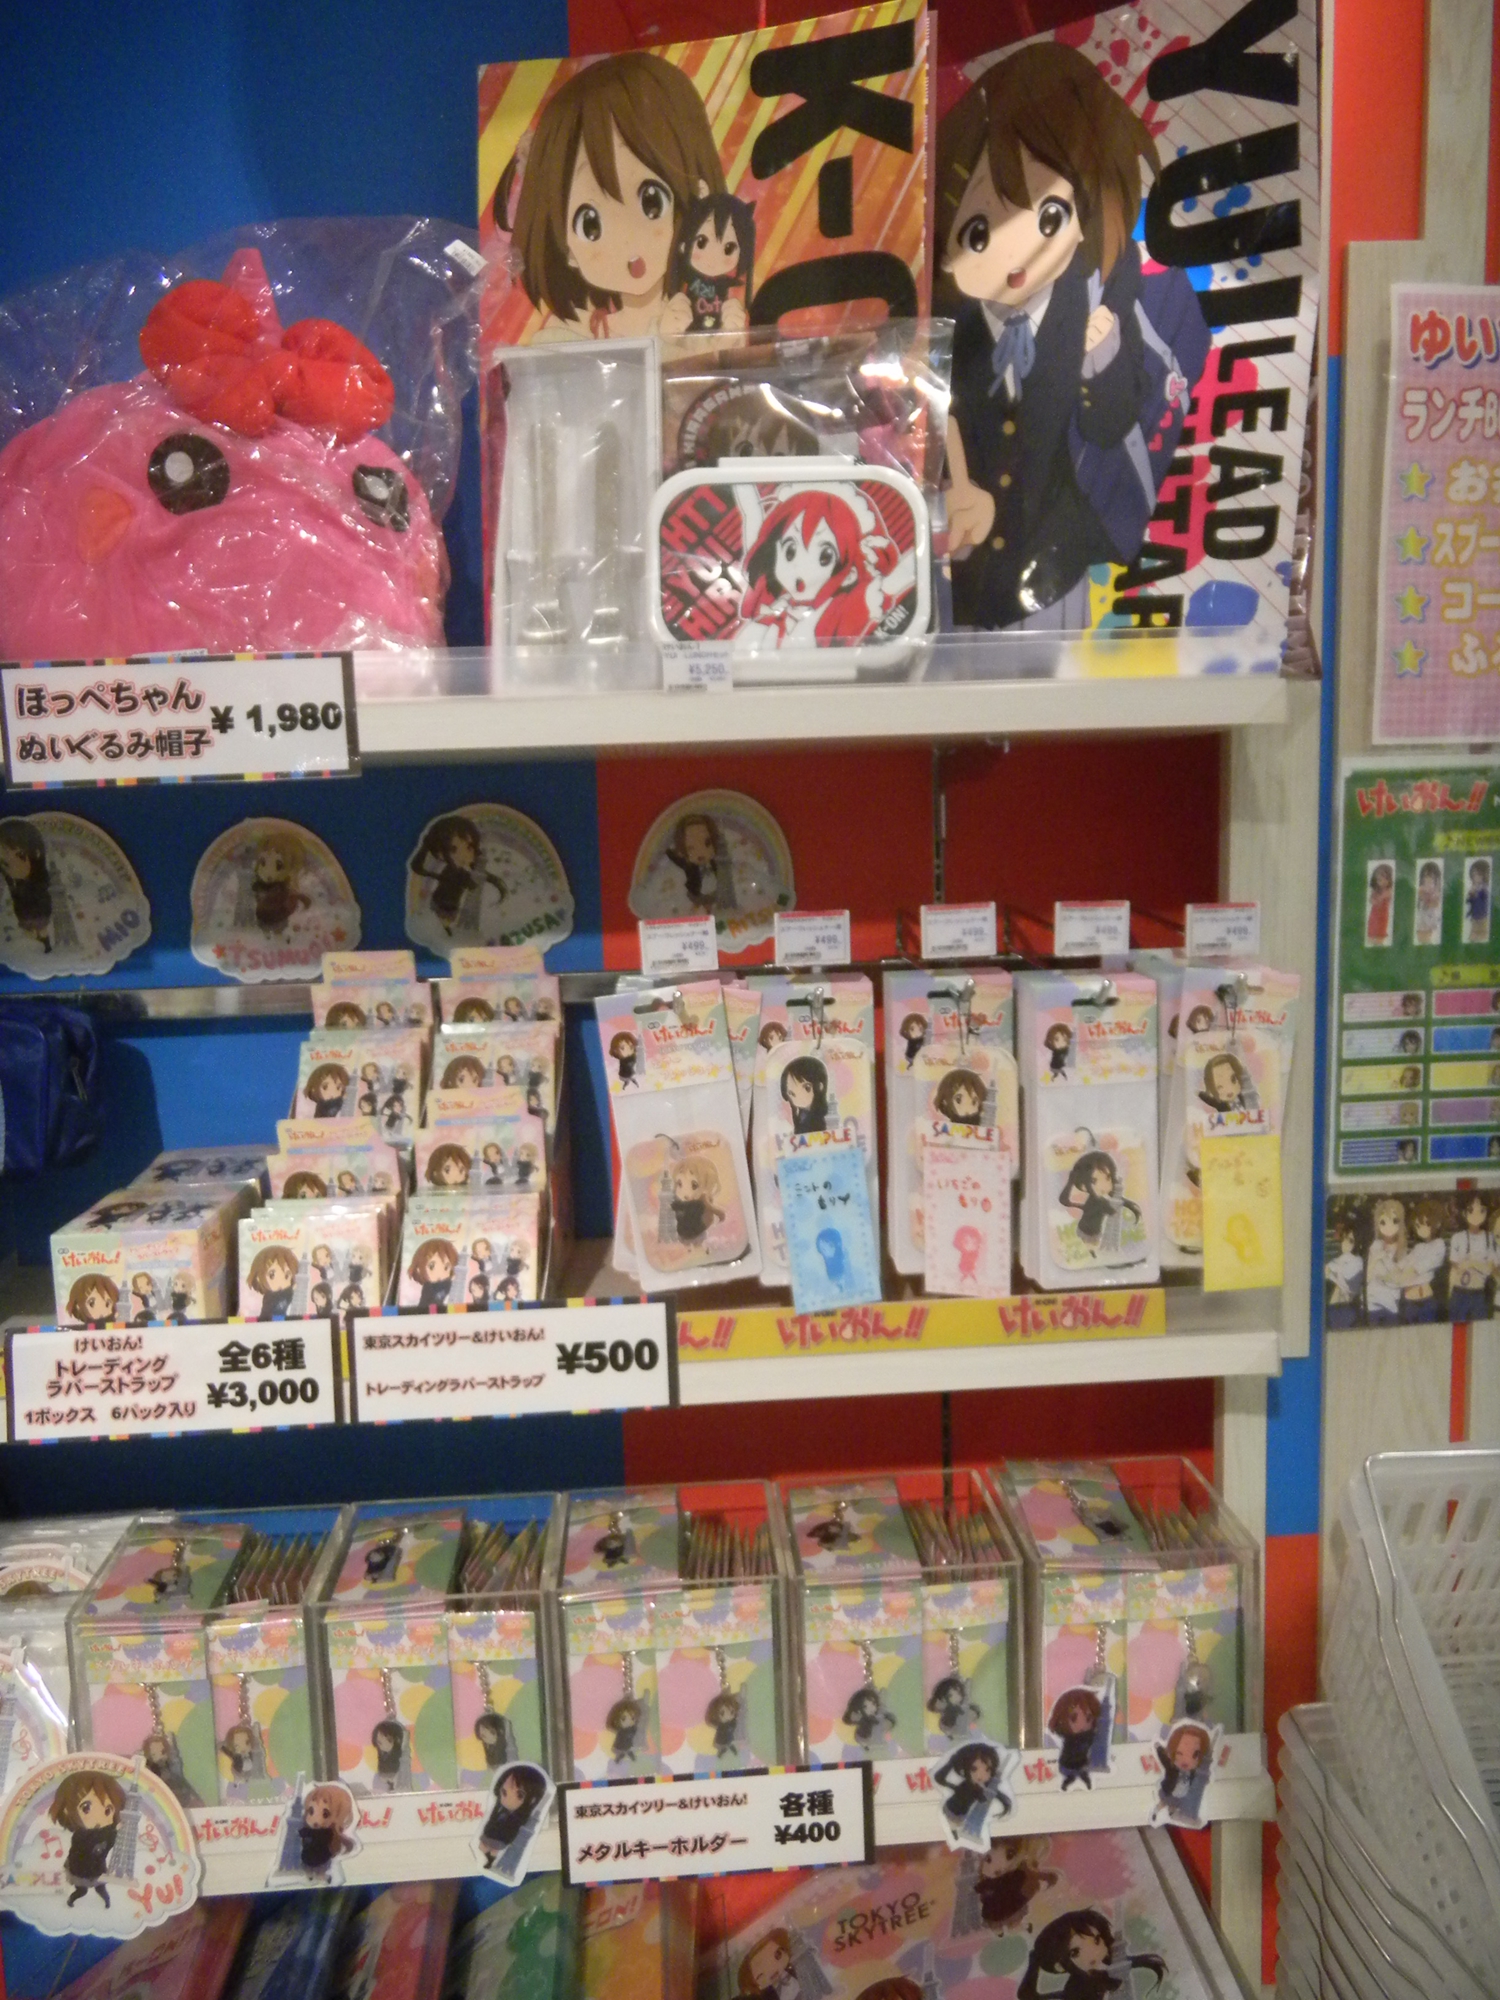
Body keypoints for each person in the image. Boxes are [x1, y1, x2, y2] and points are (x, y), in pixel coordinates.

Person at [937, 43, 1194, 631]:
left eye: (1049, 217)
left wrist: (1100, 358)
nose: (1015, 256)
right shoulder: (948, 331)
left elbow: (1110, 425)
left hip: (1056, 577)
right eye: (978, 233)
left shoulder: (1099, 307)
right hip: (959, 580)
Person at [493, 52, 727, 342]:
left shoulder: (710, 315)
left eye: (652, 203)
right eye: (590, 225)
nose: (628, 240)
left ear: (697, 195)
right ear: (565, 247)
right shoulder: (569, 336)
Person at [734, 489, 913, 655]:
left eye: (824, 557)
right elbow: (752, 516)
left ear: (849, 575)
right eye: (790, 550)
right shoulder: (774, 613)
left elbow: (891, 583)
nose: (800, 567)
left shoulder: (835, 612)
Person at [1018, 1910, 1166, 2000]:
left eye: (1096, 1940)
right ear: (1059, 1965)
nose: (1092, 1952)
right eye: (1075, 1952)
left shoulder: (1105, 1968)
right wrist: (1034, 1962)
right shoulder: (1079, 1985)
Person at [668, 191, 754, 331]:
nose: (713, 258)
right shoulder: (681, 280)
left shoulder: (734, 290)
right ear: (685, 244)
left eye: (728, 248)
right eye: (701, 242)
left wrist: (732, 332)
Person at [409, 815, 505, 937]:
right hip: (446, 904)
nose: (464, 854)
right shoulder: (457, 872)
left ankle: (445, 927)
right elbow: (466, 883)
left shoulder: (454, 871)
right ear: (440, 853)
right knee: (443, 921)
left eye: (469, 847)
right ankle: (444, 927)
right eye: (453, 849)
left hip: (445, 904)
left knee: (444, 921)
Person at [49, 1770, 125, 1908]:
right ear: (67, 1811)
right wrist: (113, 1830)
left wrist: (114, 1830)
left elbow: (108, 1844)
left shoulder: (106, 1833)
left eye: (108, 1810)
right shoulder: (81, 1835)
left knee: (101, 1889)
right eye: (86, 1808)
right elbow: (90, 1844)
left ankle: (107, 1903)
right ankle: (71, 1901)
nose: (98, 1818)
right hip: (80, 1871)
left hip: (97, 1869)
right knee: (81, 1891)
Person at [478, 1763, 549, 1876]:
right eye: (504, 1792)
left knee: (490, 1849)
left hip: (500, 1839)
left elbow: (510, 1832)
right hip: (493, 1835)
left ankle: (490, 1861)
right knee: (482, 1847)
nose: (508, 1798)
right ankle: (490, 1860)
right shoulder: (499, 1810)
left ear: (531, 1800)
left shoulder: (515, 1819)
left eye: (520, 1795)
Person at [933, 1740, 1009, 1843]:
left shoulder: (977, 1787)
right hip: (953, 1810)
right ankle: (954, 1832)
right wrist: (953, 1786)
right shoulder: (969, 1787)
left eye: (987, 1770)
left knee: (957, 1826)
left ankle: (955, 1831)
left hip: (959, 1813)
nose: (981, 1775)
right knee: (955, 1825)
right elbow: (939, 1778)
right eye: (974, 1769)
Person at [1449, 1190, 1493, 1323]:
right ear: (1464, 1213)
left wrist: (1472, 1263)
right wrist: (1449, 1295)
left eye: (1481, 1210)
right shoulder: (1457, 1238)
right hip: (1459, 1292)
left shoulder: (1490, 1238)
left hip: (1478, 1293)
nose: (1476, 1215)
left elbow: (1489, 1269)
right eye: (1471, 1210)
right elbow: (1454, 1269)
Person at [1048, 1687, 1104, 1790]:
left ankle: (1085, 1784)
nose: (1082, 1725)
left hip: (1081, 1764)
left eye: (1088, 1718)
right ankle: (1069, 1783)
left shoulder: (1089, 1736)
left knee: (1084, 1777)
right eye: (1073, 1719)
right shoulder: (1070, 1737)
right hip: (1068, 1764)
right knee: (1072, 1778)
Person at [299, 1784, 355, 1878]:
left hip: (321, 1857)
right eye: (311, 1811)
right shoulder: (310, 1831)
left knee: (320, 1869)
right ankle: (313, 1875)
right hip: (309, 1856)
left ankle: (319, 1875)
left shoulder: (327, 1833)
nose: (316, 1819)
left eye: (325, 1814)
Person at [780, 1055, 831, 1135]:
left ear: (820, 1087)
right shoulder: (800, 1116)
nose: (800, 1096)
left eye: (807, 1088)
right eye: (792, 1093)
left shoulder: (822, 1117)